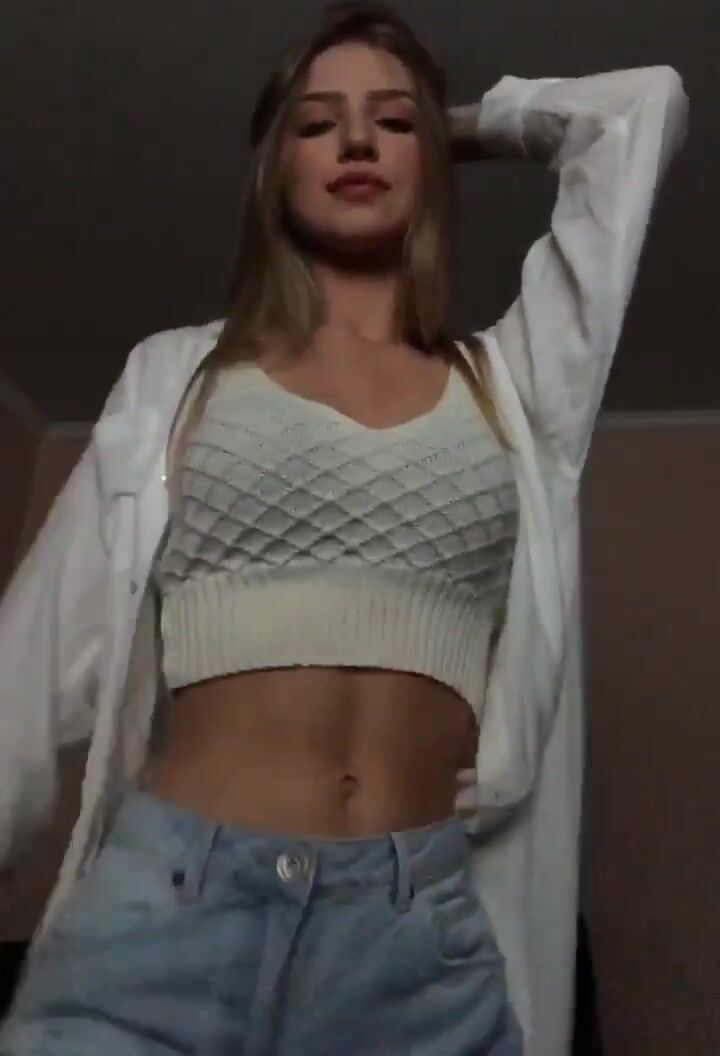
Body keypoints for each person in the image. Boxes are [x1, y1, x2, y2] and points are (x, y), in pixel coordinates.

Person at [0, 2, 687, 1053]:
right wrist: (393, 127)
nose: (358, 142)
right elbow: (32, 669)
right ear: (275, 169)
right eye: (318, 124)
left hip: (416, 951)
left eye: (393, 123)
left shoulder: (515, 386)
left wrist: (454, 129)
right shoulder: (179, 375)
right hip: (167, 921)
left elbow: (641, 110)